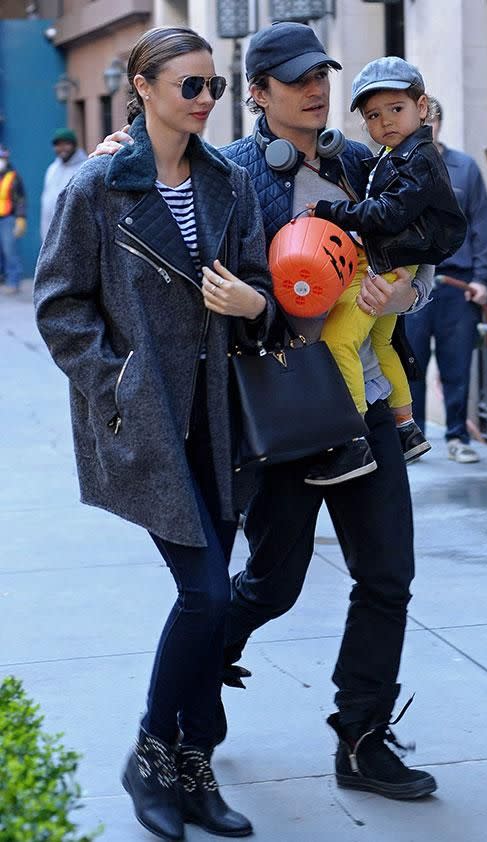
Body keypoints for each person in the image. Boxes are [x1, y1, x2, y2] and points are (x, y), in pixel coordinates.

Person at [94, 20, 438, 803]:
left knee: (387, 576)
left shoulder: (365, 164)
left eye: (321, 75)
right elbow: (164, 216)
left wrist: (406, 294)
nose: (316, 90)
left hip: (363, 403)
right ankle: (203, 668)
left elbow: (417, 257)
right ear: (257, 94)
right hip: (280, 414)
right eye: (294, 79)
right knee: (270, 585)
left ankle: (362, 737)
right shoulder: (233, 173)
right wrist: (119, 151)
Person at [34, 25, 276, 841]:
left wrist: (253, 298)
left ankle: (194, 767)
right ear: (143, 86)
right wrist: (120, 383)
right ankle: (150, 755)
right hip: (148, 421)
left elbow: (254, 276)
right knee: (206, 592)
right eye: (191, 86)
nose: (207, 100)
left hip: (218, 416)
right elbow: (60, 305)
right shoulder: (98, 185)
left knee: (209, 602)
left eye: (214, 85)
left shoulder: (225, 180)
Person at [305, 57, 467, 485]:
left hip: (391, 263)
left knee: (340, 339)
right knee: (380, 343)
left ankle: (352, 439)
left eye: (396, 109)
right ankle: (405, 426)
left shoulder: (418, 158)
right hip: (396, 260)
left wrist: (330, 211)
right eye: (373, 115)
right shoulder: (394, 155)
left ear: (422, 107)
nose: (385, 121)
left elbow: (391, 213)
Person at [405, 98, 487, 463]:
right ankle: (413, 437)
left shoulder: (465, 168)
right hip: (411, 283)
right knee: (410, 361)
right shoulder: (400, 167)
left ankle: (458, 436)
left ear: (437, 122)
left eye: (431, 120)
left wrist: (483, 278)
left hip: (456, 284)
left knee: (456, 362)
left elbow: (482, 227)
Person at [40, 128, 87, 241]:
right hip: (50, 235)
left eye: (66, 144)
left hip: (74, 235)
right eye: (58, 145)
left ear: (74, 145)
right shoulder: (52, 169)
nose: (62, 148)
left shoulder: (84, 168)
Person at [0, 144, 26, 295]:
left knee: (9, 251)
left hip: (8, 219)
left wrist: (21, 218)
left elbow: (20, 199)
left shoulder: (13, 177)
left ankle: (13, 281)